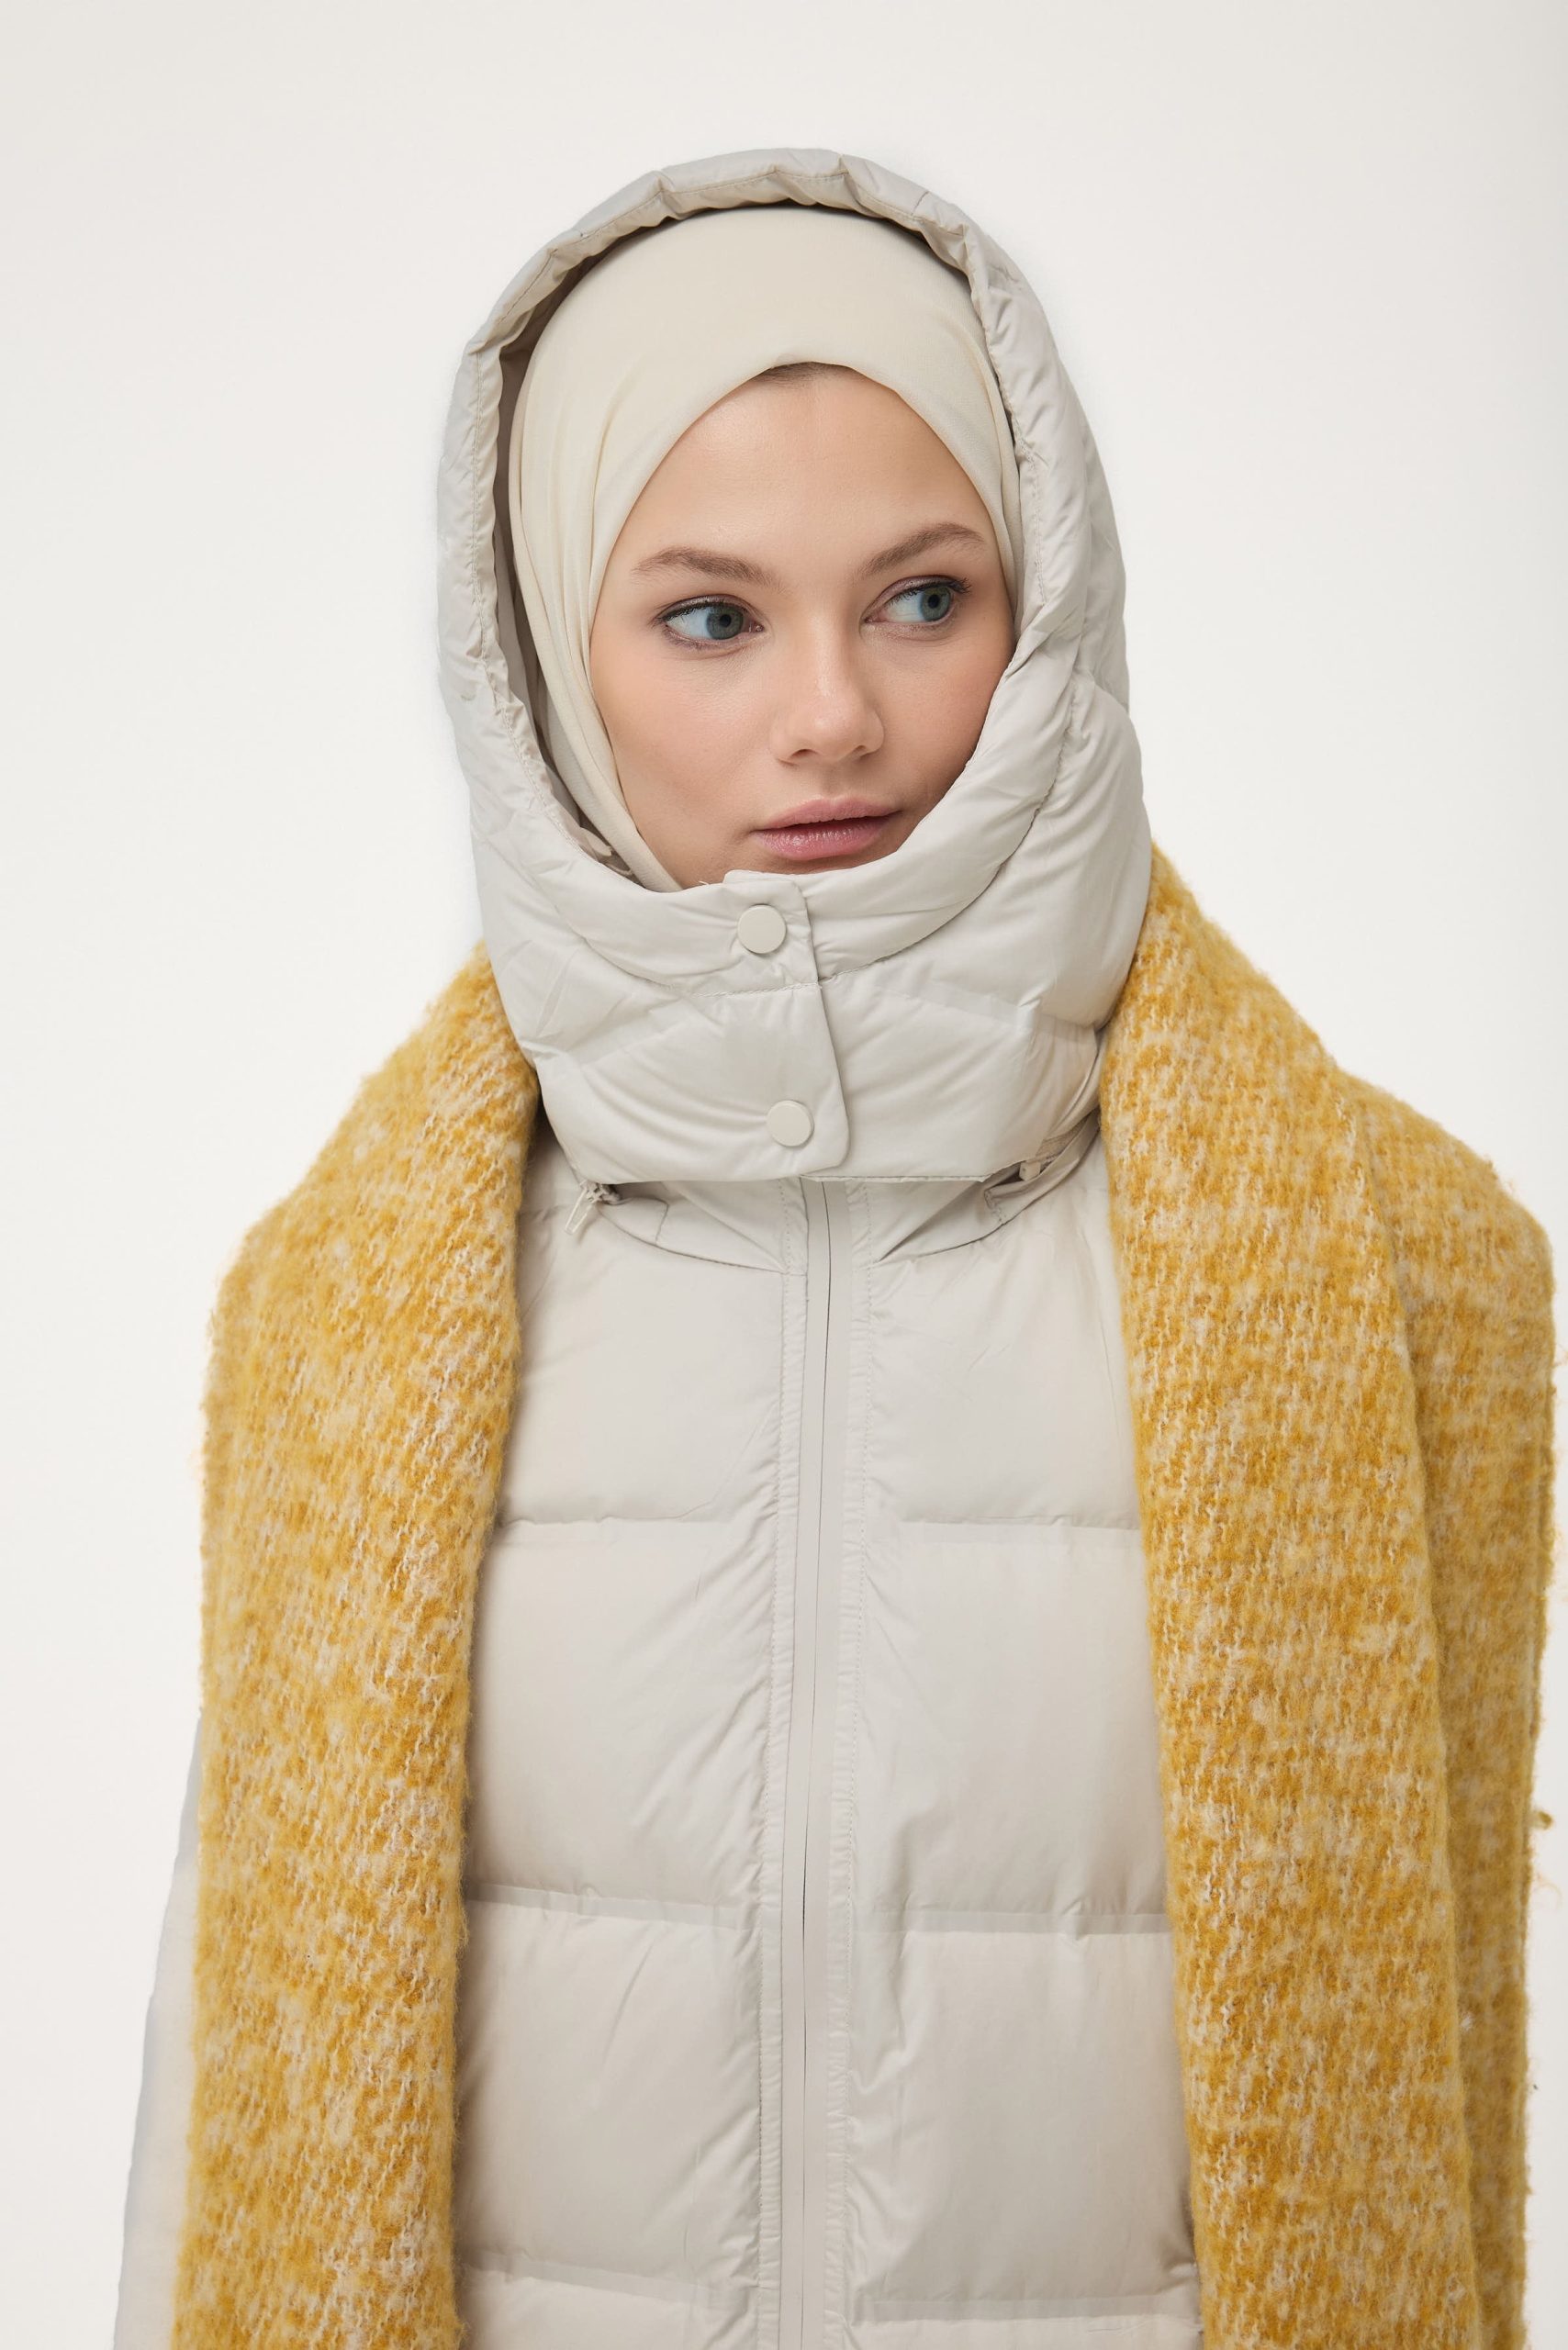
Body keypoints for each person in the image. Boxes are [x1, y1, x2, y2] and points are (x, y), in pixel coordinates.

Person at [113, 148, 1556, 2350]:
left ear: (1043, 610)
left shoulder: (1396, 1275)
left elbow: (1457, 2093)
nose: (830, 718)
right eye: (710, 617)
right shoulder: (339, 1309)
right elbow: (223, 2115)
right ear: (543, 651)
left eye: (920, 597)